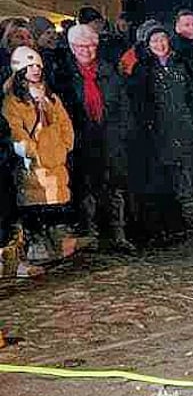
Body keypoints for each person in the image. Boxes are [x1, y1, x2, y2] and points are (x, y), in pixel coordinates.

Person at [51, 23, 134, 250]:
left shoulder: (108, 72)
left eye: (90, 46)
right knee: (86, 188)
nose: (86, 51)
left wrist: (122, 132)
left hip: (109, 137)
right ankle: (91, 234)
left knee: (114, 188)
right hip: (82, 139)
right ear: (72, 48)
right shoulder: (64, 76)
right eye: (80, 47)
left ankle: (118, 233)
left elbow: (123, 105)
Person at [2, 46, 75, 273]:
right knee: (36, 204)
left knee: (55, 203)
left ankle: (55, 244)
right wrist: (29, 150)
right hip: (34, 162)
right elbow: (15, 129)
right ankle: (37, 245)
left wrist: (65, 144)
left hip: (55, 157)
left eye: (38, 66)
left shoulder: (50, 96)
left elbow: (64, 122)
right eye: (30, 66)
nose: (35, 70)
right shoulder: (14, 101)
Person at [129, 22, 193, 241]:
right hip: (159, 129)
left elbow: (192, 95)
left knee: (188, 171)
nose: (160, 44)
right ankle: (171, 220)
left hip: (184, 126)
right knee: (167, 174)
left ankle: (191, 214)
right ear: (147, 45)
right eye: (154, 41)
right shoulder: (143, 69)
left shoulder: (182, 63)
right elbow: (140, 102)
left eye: (162, 39)